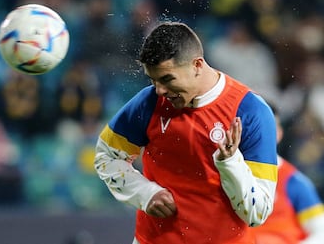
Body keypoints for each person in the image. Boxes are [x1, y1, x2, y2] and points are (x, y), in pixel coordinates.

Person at [94, 21, 278, 244]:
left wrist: (230, 164)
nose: (160, 90)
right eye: (153, 80)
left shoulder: (251, 111)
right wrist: (145, 193)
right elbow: (107, 156)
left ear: (197, 65)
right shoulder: (149, 102)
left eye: (167, 79)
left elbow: (257, 214)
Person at [251, 104, 324, 244]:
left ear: (279, 133)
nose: (263, 133)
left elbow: (321, 232)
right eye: (257, 126)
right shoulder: (222, 175)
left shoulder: (294, 182)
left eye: (270, 127)